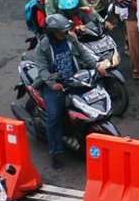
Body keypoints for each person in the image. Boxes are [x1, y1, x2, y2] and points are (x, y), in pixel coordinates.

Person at [31, 14, 106, 170]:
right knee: (54, 117)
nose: (64, 34)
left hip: (73, 80)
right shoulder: (43, 47)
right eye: (61, 31)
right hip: (53, 85)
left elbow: (84, 54)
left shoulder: (70, 38)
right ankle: (56, 154)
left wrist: (97, 66)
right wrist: (53, 84)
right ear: (52, 32)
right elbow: (43, 71)